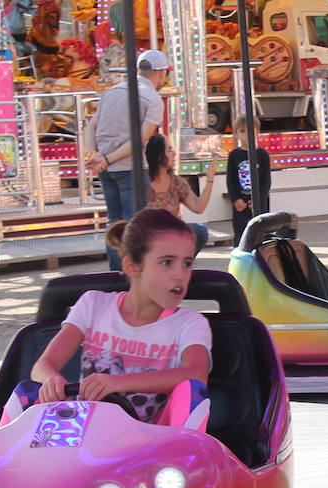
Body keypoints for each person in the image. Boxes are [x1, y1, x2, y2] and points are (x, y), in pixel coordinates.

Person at [25, 208, 211, 426]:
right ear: (132, 266)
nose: (180, 274)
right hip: (82, 432)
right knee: (25, 392)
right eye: (166, 262)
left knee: (191, 392)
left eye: (187, 263)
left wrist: (117, 383)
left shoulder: (189, 323)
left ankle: (184, 457)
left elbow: (196, 374)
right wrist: (51, 380)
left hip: (149, 444)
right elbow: (43, 365)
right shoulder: (93, 304)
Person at [87, 48, 171, 270]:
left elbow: (91, 126)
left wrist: (95, 156)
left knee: (114, 223)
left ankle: (115, 273)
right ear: (161, 72)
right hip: (129, 168)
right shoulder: (152, 99)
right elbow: (139, 140)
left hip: (106, 170)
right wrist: (106, 157)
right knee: (133, 225)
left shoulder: (111, 92)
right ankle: (130, 275)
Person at [145, 133, 217, 253]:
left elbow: (199, 207)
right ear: (158, 156)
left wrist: (210, 179)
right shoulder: (144, 182)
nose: (174, 154)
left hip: (173, 233)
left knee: (200, 231)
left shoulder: (176, 182)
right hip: (151, 236)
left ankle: (182, 264)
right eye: (169, 150)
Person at [227, 115, 272, 246]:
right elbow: (230, 180)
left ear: (257, 132)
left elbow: (266, 181)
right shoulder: (234, 155)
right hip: (240, 204)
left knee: (260, 233)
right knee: (241, 233)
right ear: (236, 134)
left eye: (250, 131)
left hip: (258, 204)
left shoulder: (262, 155)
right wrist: (235, 199)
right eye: (242, 131)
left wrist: (259, 200)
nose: (246, 135)